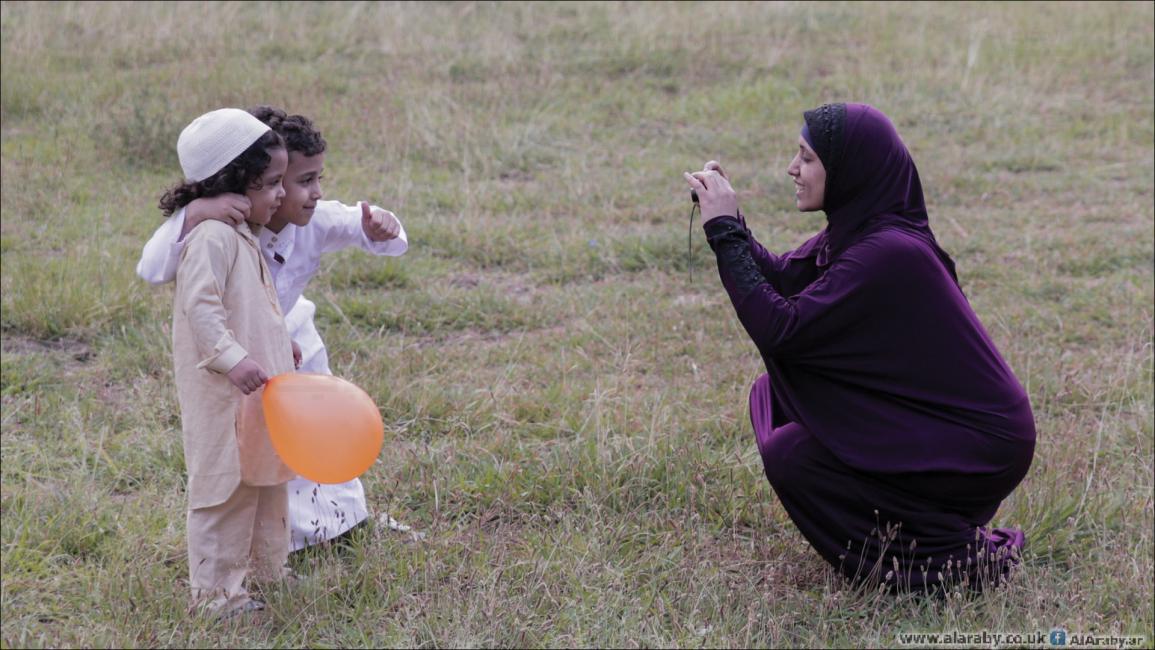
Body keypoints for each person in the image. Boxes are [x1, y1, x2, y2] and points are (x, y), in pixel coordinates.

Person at [683, 103, 1036, 594]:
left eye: (806, 158)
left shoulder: (888, 253)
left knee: (792, 453)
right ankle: (930, 534)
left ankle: (957, 563)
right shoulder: (860, 232)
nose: (792, 168)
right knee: (773, 397)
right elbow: (784, 277)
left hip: (978, 444)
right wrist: (730, 220)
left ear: (848, 169)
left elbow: (780, 327)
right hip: (943, 427)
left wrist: (725, 234)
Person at [137, 106, 409, 553]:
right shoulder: (224, 226)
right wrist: (198, 211)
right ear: (261, 180)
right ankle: (292, 537)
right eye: (300, 181)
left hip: (297, 339)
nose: (314, 193)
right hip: (240, 351)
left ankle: (347, 519)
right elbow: (152, 268)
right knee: (267, 446)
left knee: (323, 431)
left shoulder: (314, 219)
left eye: (316, 178)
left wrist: (380, 223)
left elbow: (368, 227)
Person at [161, 108, 295, 616]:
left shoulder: (244, 234)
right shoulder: (213, 237)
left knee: (265, 479)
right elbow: (203, 307)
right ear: (234, 185)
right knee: (226, 487)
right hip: (224, 394)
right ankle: (216, 595)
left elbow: (253, 306)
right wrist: (231, 357)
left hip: (257, 391)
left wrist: (283, 346)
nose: (280, 194)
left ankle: (265, 575)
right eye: (270, 184)